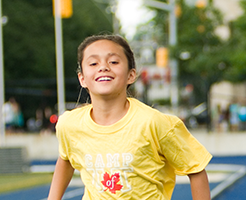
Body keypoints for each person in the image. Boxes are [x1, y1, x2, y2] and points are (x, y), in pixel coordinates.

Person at [48, 34, 212, 200]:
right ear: (82, 78)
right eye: (93, 63)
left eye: (113, 62)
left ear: (131, 75)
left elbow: (195, 168)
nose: (103, 67)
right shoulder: (69, 124)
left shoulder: (154, 123)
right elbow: (66, 159)